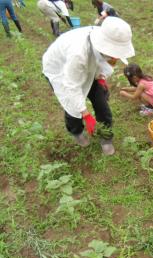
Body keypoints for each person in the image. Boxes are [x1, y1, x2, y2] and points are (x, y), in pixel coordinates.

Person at [42, 17, 135, 155]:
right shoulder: (78, 54)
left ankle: (106, 137)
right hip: (60, 70)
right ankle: (77, 131)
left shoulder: (108, 35)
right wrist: (85, 114)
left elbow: (101, 61)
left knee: (102, 105)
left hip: (84, 65)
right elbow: (72, 86)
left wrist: (101, 78)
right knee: (73, 107)